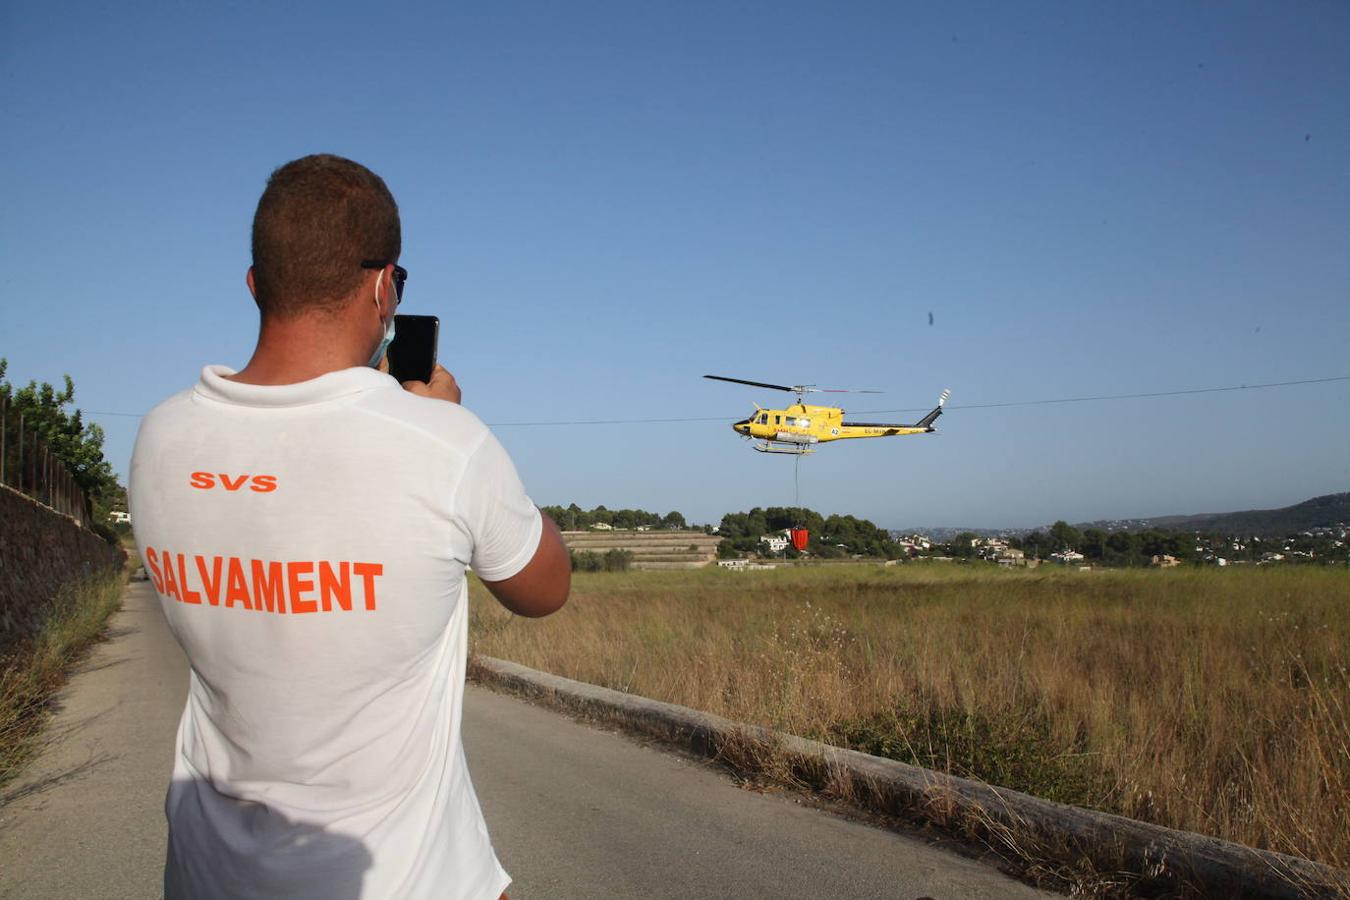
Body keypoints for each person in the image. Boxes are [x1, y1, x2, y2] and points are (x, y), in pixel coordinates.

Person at [130, 154, 570, 899]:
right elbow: (544, 588)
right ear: (383, 286)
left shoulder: (160, 436)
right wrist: (444, 425)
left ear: (255, 283)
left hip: (207, 873)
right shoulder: (445, 444)